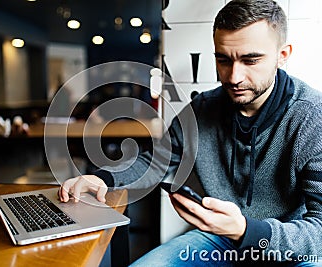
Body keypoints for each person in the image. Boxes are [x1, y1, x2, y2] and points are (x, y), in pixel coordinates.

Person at [58, 0, 322, 265]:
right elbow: (155, 161)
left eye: (250, 60)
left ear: (283, 55)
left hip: (288, 248)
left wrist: (246, 231)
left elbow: (319, 230)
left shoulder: (312, 117)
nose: (234, 77)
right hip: (218, 239)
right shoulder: (201, 109)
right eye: (223, 59)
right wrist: (104, 179)